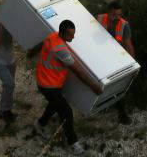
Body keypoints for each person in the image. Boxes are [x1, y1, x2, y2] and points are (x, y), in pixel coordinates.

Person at [33, 19, 101, 153]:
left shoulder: (52, 36)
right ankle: (73, 143)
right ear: (62, 33)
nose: (73, 37)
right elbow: (77, 71)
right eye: (70, 35)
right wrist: (93, 86)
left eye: (74, 34)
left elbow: (42, 43)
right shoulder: (61, 49)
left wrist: (31, 51)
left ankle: (40, 123)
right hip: (48, 85)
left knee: (55, 104)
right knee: (67, 112)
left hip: (46, 80)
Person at [98, 1, 134, 124]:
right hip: (99, 56)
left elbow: (128, 46)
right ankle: (102, 106)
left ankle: (122, 114)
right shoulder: (100, 18)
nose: (116, 18)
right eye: (114, 15)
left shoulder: (124, 25)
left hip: (115, 60)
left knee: (117, 86)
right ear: (109, 13)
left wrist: (132, 65)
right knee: (100, 83)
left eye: (119, 15)